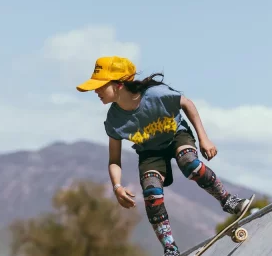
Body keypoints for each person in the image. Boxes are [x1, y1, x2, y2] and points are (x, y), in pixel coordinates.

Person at [76, 56, 250, 256]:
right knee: (151, 192)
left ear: (119, 85)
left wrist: (204, 138)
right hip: (150, 152)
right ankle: (170, 248)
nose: (95, 91)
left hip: (177, 135)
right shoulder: (114, 120)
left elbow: (187, 104)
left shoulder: (156, 94)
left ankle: (228, 201)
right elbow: (114, 159)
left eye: (100, 86)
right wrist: (117, 186)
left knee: (189, 163)